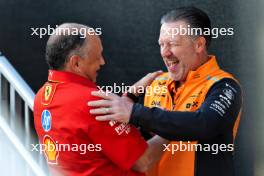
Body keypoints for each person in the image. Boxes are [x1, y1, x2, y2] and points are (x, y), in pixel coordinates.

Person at [88, 7, 243, 176]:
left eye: (173, 44)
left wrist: (134, 112)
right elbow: (141, 140)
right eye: (161, 44)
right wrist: (129, 99)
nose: (164, 52)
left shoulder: (225, 85)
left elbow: (204, 124)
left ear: (199, 44)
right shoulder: (157, 82)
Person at [33, 23, 167, 176]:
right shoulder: (91, 101)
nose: (102, 62)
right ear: (76, 63)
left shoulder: (42, 96)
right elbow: (144, 161)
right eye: (97, 56)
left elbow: (95, 133)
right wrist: (168, 124)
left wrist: (130, 95)